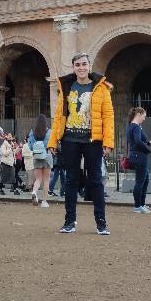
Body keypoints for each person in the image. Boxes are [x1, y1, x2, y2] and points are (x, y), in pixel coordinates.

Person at [48, 53, 115, 235]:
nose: (81, 67)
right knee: (70, 180)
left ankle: (101, 223)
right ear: (73, 67)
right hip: (70, 139)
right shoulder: (66, 86)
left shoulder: (101, 87)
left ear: (89, 66)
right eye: (78, 64)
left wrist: (108, 141)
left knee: (96, 180)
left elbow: (108, 116)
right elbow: (59, 116)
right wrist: (53, 140)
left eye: (84, 64)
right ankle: (69, 221)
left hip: (93, 140)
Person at [127, 107, 151, 213]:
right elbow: (138, 142)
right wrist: (148, 149)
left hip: (136, 155)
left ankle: (141, 204)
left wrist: (147, 143)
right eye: (144, 116)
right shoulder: (136, 127)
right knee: (140, 181)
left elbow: (136, 141)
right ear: (138, 114)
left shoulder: (131, 126)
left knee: (144, 180)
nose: (144, 118)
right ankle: (138, 205)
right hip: (140, 156)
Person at [27, 114, 52, 208]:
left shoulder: (32, 132)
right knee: (46, 180)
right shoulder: (49, 132)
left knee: (38, 179)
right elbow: (52, 144)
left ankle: (34, 192)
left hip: (36, 157)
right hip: (47, 157)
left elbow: (30, 146)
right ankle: (44, 201)